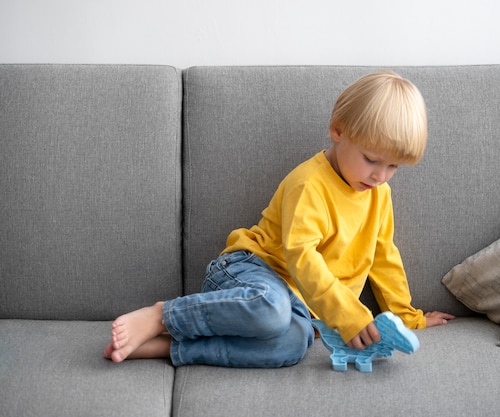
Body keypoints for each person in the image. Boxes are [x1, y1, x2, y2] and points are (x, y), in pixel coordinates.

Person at [103, 70, 454, 368]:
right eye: (371, 159)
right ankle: (163, 314)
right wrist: (348, 312)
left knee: (292, 345)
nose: (380, 175)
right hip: (252, 270)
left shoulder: (378, 195)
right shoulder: (309, 183)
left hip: (299, 305)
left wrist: (408, 318)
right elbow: (301, 258)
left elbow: (384, 256)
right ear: (338, 130)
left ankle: (169, 346)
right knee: (271, 309)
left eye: (393, 166)